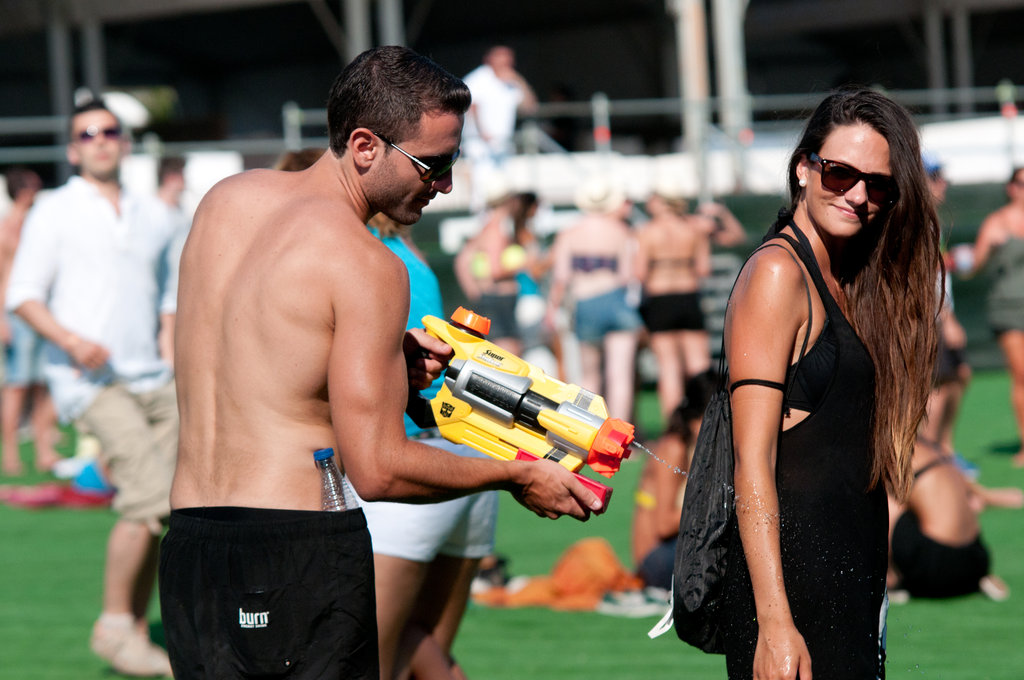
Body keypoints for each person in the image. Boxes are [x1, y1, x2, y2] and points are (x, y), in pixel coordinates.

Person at [159, 45, 602, 680]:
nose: (445, 183)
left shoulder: (225, 201)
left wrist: (388, 356)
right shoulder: (367, 262)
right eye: (434, 164)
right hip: (293, 552)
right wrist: (515, 474)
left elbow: (260, 354)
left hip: (193, 548)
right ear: (365, 146)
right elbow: (379, 471)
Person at [718, 88, 941, 679]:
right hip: (795, 590)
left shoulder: (848, 276)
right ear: (803, 167)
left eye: (878, 185)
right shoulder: (776, 273)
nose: (859, 195)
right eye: (840, 173)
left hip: (850, 579)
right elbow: (752, 462)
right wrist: (774, 622)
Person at [7, 99, 184, 677]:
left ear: (124, 142)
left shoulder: (153, 213)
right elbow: (23, 295)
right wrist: (71, 341)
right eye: (89, 133)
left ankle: (133, 627)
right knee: (150, 497)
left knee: (170, 507)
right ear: (73, 148)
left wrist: (168, 351)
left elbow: (169, 296)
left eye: (111, 131)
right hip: (88, 380)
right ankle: (113, 625)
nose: (101, 140)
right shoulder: (55, 210)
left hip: (155, 379)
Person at [363, 214, 499, 680]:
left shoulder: (353, 252)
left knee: (372, 663)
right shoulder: (412, 255)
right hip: (468, 452)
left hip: (410, 460)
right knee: (425, 649)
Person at [547, 175, 642, 421]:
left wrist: (552, 309)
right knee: (620, 375)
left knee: (589, 375)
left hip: (585, 303)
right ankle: (621, 436)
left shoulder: (570, 233)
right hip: (617, 301)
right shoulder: (622, 231)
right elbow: (627, 275)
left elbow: (561, 277)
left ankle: (590, 430)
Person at [957, 167, 1024, 466]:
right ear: (1011, 187)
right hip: (1008, 307)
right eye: (1021, 183)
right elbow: (973, 269)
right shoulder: (996, 222)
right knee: (1022, 376)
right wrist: (984, 250)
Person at [887, 438, 1010, 601]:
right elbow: (974, 500)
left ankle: (890, 579)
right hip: (976, 559)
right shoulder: (934, 449)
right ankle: (978, 579)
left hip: (936, 567)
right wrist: (993, 498)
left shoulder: (891, 451)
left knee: (885, 501)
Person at [634, 185, 715, 421]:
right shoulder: (693, 229)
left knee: (668, 366)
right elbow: (704, 268)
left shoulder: (647, 231)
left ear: (661, 201)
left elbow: (639, 272)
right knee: (699, 363)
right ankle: (706, 421)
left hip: (659, 299)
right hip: (688, 296)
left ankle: (675, 426)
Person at [0, 167, 60, 476]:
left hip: (42, 312)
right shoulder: (6, 228)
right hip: (17, 316)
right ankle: (9, 453)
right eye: (35, 186)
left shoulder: (37, 225)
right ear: (23, 191)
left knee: (42, 385)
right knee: (17, 385)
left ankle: (42, 449)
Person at [461, 46, 537, 211]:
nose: (506, 64)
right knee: (482, 188)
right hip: (480, 145)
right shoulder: (478, 79)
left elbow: (530, 106)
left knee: (504, 188)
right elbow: (472, 107)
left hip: (503, 145)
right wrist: (483, 134)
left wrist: (519, 80)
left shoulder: (511, 83)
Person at [453, 179, 524, 355]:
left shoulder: (486, 228)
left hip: (493, 298)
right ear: (508, 201)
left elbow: (462, 261)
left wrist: (475, 291)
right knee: (508, 354)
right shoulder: (497, 230)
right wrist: (523, 266)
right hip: (499, 298)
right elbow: (495, 270)